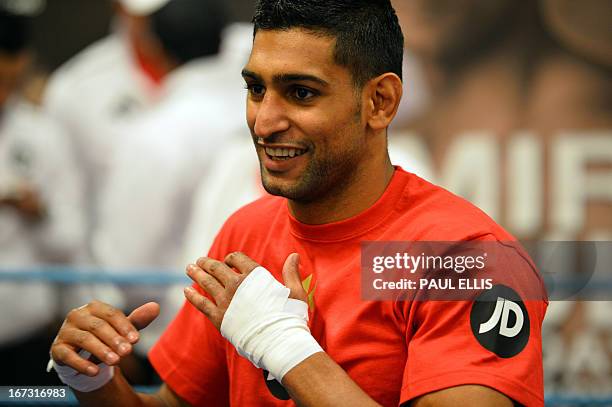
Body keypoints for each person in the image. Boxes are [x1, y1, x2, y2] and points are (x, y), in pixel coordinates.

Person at [49, 1, 547, 406]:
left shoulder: (468, 259)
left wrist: (286, 350)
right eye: (256, 89)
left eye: (301, 93)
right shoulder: (245, 233)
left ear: (380, 103)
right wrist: (95, 380)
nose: (264, 121)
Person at [0, 6, 84, 385]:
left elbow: (70, 238)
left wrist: (37, 210)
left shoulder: (43, 136)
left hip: (26, 334)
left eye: (9, 83)